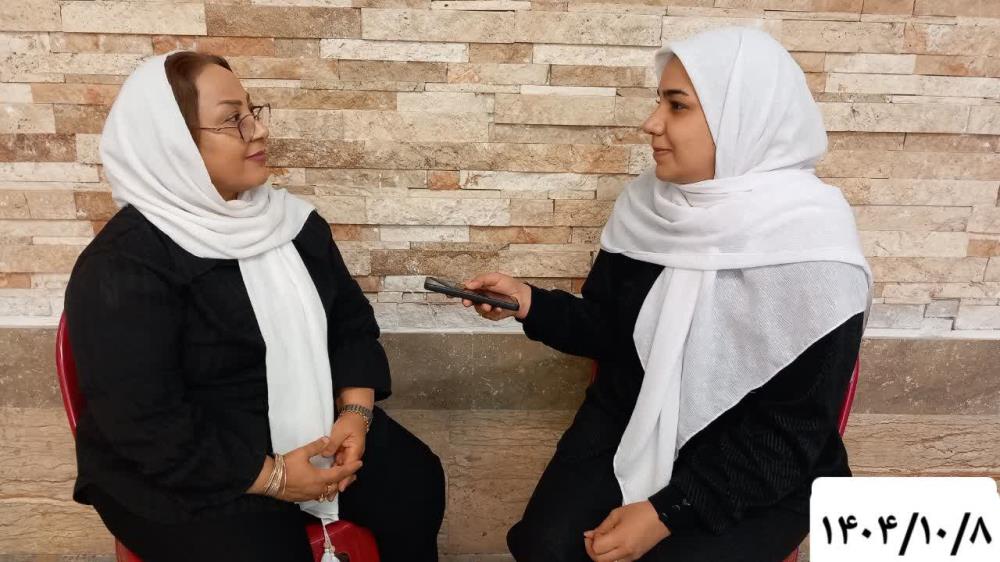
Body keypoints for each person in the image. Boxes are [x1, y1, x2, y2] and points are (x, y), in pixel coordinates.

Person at [461, 27, 871, 562]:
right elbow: (613, 331)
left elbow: (792, 430)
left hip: (760, 463)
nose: (651, 123)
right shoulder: (646, 208)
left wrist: (667, 512)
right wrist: (530, 302)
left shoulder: (816, 248)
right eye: (660, 102)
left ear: (741, 118)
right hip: (629, 420)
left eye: (677, 106)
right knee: (546, 547)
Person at [64, 51, 444, 562]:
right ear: (171, 142)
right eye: (232, 120)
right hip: (177, 458)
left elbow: (351, 326)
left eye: (253, 111)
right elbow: (144, 423)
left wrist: (355, 416)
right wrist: (275, 477)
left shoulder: (292, 224)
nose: (258, 130)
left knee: (415, 481)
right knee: (263, 548)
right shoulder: (123, 266)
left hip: (304, 420)